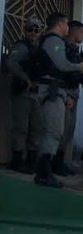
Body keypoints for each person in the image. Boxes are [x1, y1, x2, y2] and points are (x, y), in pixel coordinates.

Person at [34, 12, 83, 187]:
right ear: (59, 24)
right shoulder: (53, 41)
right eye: (66, 24)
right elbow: (62, 65)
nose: (67, 27)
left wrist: (65, 95)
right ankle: (43, 172)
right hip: (50, 91)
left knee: (56, 131)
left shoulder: (54, 41)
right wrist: (80, 67)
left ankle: (45, 171)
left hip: (56, 90)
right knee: (53, 131)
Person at [5, 17, 45, 174]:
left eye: (36, 30)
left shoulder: (39, 49)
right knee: (21, 128)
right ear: (25, 31)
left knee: (35, 128)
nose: (33, 33)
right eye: (30, 29)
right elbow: (11, 63)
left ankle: (31, 160)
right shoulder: (21, 47)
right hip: (23, 92)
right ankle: (17, 160)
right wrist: (25, 78)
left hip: (36, 94)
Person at [54, 19, 83, 175]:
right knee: (61, 129)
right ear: (73, 31)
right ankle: (54, 162)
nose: (82, 35)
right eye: (81, 32)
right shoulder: (63, 48)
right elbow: (62, 72)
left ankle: (60, 161)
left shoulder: (77, 51)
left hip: (74, 91)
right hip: (65, 92)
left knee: (69, 130)